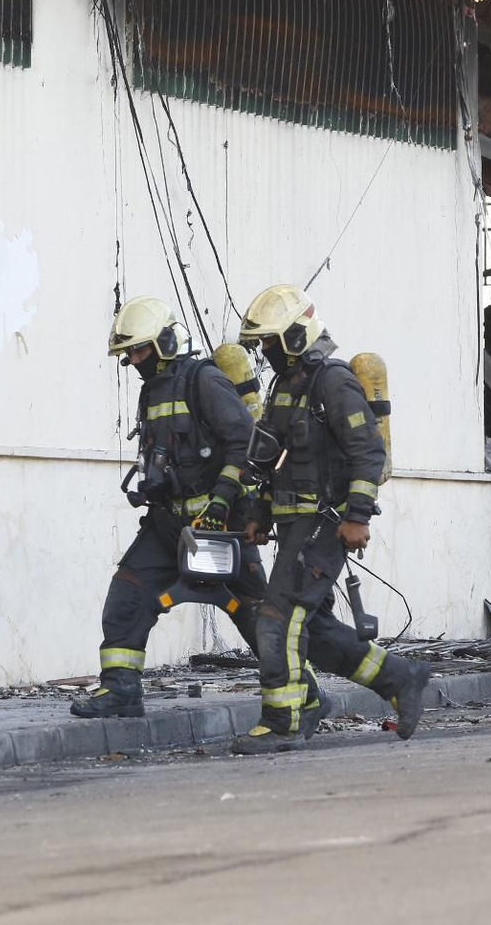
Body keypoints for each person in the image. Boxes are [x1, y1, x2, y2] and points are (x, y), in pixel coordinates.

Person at [72, 296, 328, 732]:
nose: (134, 361)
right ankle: (120, 690)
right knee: (129, 592)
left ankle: (304, 693)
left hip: (220, 526)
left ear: (166, 342)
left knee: (256, 614)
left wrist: (222, 501)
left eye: (140, 350)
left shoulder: (203, 380)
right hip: (168, 524)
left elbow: (244, 443)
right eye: (129, 353)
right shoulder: (153, 390)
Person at [230, 284, 431, 755]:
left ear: (296, 335)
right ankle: (400, 678)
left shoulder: (334, 383)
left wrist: (357, 516)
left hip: (324, 523)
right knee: (315, 632)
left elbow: (368, 452)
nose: (265, 351)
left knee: (277, 619)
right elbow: (272, 458)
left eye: (270, 341)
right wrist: (259, 512)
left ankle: (283, 721)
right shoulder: (286, 386)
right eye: (261, 343)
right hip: (293, 526)